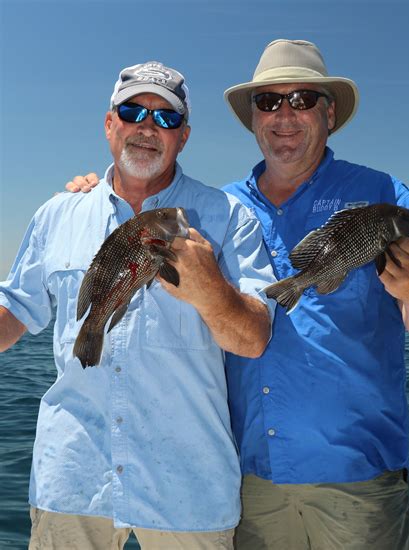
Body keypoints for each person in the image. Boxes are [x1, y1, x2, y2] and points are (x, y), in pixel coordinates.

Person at [67, 40, 409, 550]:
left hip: (359, 484)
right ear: (253, 117)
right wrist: (93, 191)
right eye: (269, 102)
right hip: (248, 485)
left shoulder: (387, 197)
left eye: (302, 100)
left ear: (330, 111)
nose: (284, 116)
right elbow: (136, 211)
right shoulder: (217, 208)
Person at [0, 61, 276, 549]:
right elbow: (14, 312)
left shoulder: (227, 217)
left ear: (183, 137)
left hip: (189, 490)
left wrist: (208, 285)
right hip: (72, 482)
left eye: (165, 118)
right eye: (133, 111)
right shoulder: (56, 214)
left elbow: (254, 340)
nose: (148, 128)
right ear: (110, 124)